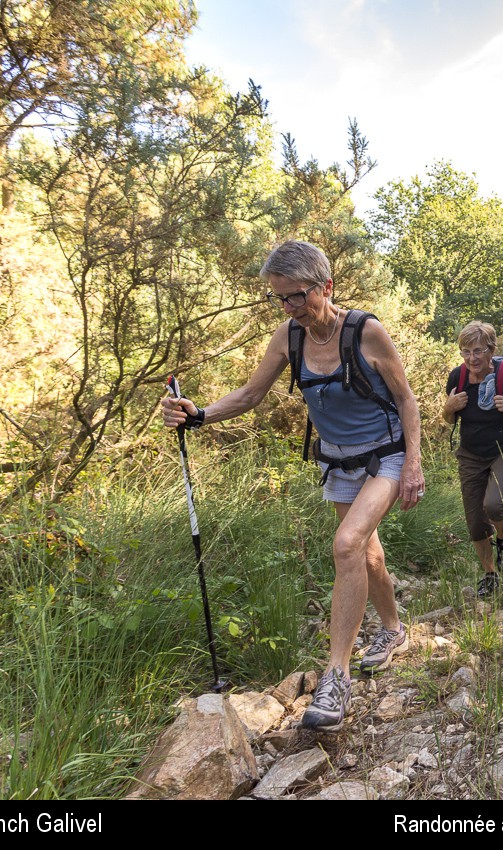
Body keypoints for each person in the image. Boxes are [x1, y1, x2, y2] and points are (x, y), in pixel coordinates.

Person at [161, 240, 424, 733]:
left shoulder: (367, 333)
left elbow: (407, 401)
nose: (288, 308)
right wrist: (198, 415)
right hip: (338, 462)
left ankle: (335, 676)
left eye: (297, 297)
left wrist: (413, 464)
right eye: (279, 299)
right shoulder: (289, 336)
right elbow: (250, 394)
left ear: (326, 287)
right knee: (366, 554)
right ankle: (393, 630)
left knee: (346, 545)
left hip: (386, 456)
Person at [443, 321, 503, 598]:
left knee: (495, 505)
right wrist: (448, 408)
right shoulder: (457, 378)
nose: (471, 358)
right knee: (475, 522)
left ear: (491, 350)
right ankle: (490, 573)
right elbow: (449, 418)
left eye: (477, 351)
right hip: (470, 454)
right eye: (465, 352)